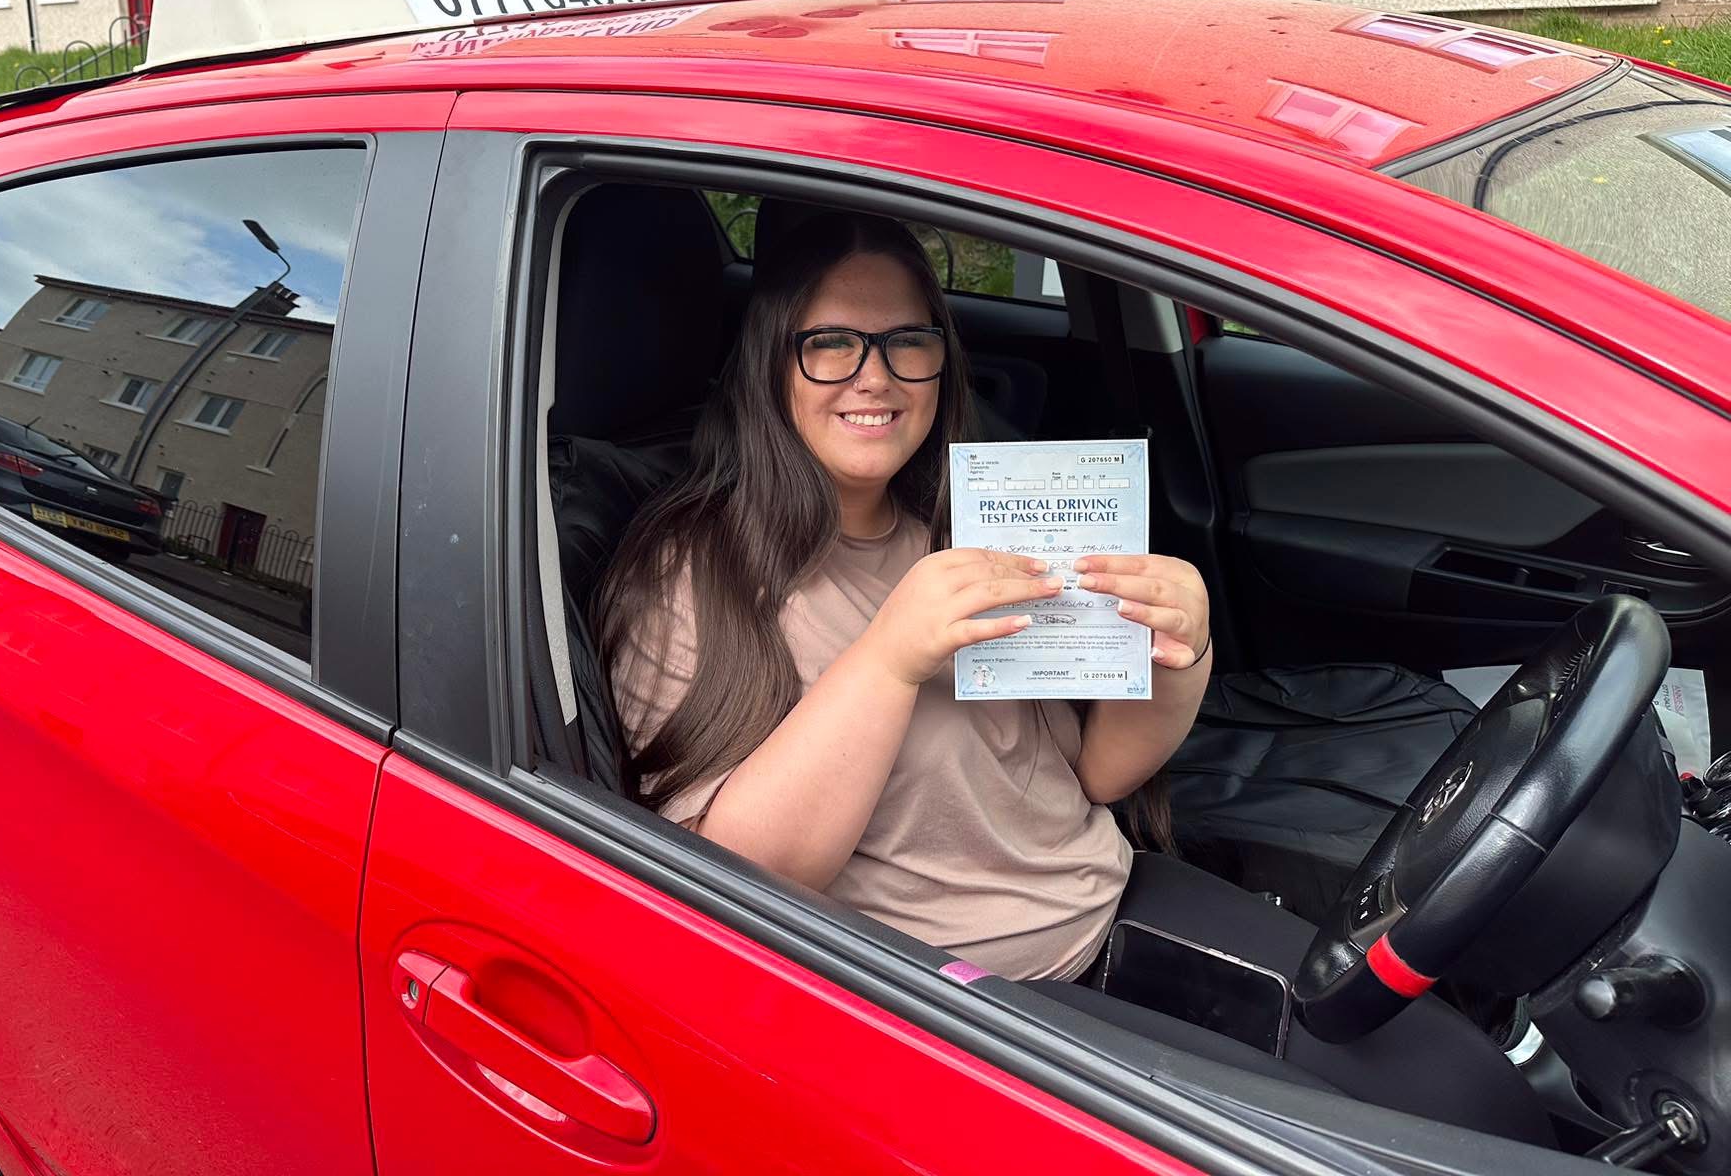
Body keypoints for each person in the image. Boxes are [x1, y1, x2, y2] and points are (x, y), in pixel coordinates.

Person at [597, 207, 1550, 1144]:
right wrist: (888, 660)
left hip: (1105, 892)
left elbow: (1090, 777)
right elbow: (740, 885)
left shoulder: (965, 521)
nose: (875, 377)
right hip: (958, 995)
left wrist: (1182, 651)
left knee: (1465, 1090)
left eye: (906, 343)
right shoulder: (690, 582)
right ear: (771, 363)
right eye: (831, 345)